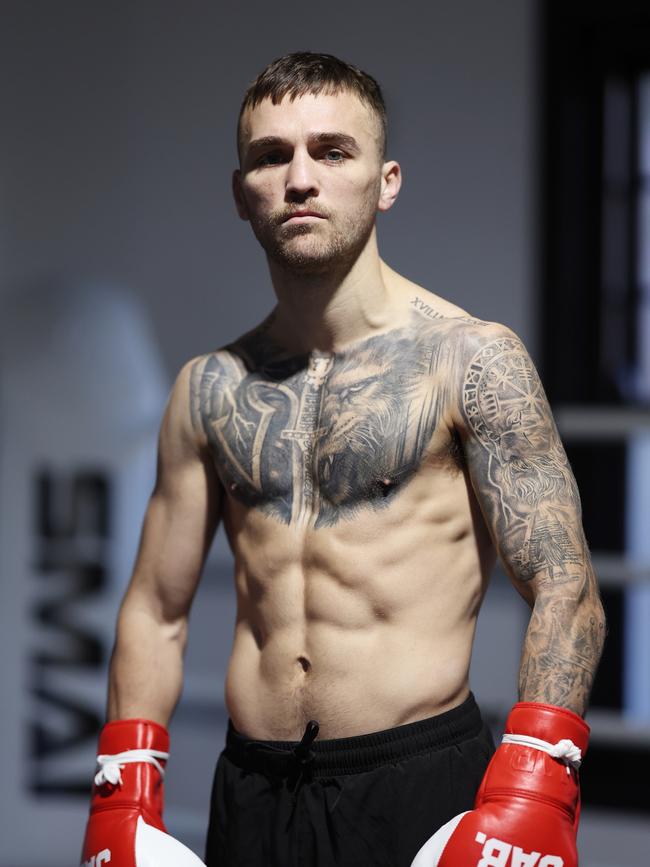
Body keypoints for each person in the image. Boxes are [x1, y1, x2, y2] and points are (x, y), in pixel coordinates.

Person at [81, 52, 605, 867]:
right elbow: (156, 607)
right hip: (252, 789)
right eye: (270, 156)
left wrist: (536, 782)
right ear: (240, 191)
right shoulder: (209, 388)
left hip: (420, 784)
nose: (299, 179)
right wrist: (123, 785)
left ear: (386, 180)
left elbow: (565, 586)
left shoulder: (471, 361)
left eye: (332, 151)